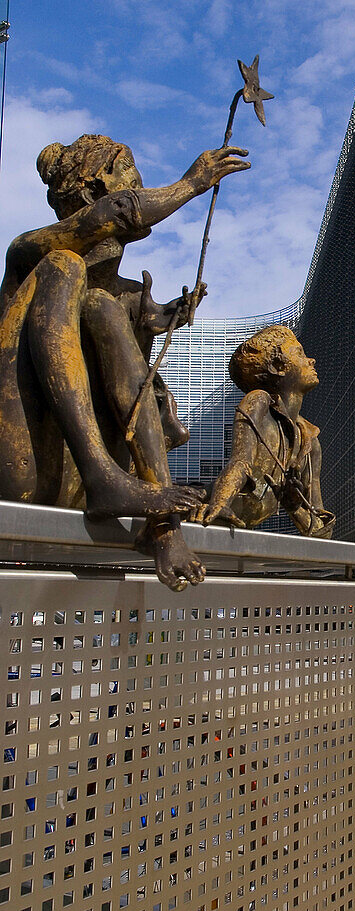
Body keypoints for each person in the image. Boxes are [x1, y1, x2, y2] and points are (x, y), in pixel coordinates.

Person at [0, 133, 249, 589]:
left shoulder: (125, 297)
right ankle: (104, 477)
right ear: (95, 190)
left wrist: (162, 316)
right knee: (65, 268)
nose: (141, 187)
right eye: (130, 178)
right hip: (26, 466)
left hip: (83, 482)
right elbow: (114, 214)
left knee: (100, 304)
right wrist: (192, 183)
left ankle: (162, 527)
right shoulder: (28, 252)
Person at [193, 325, 335, 538]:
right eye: (300, 353)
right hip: (201, 508)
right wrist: (220, 503)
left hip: (238, 530)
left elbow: (320, 534)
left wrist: (294, 507)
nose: (311, 360)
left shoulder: (310, 441)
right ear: (278, 366)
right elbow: (240, 461)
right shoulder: (259, 401)